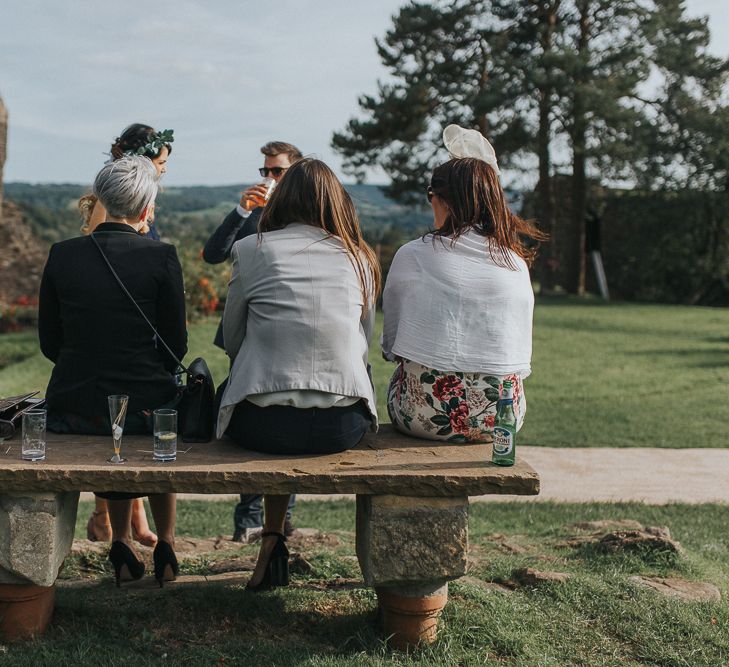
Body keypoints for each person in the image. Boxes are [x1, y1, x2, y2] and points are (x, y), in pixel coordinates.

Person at [216, 158, 380, 590]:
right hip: (341, 426)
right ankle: (275, 536)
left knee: (264, 404)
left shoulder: (251, 250)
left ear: (283, 198)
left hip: (261, 426)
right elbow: (363, 341)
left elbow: (232, 341)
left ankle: (271, 538)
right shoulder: (360, 257)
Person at [39, 155, 186, 587]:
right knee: (158, 422)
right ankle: (167, 543)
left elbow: (50, 341)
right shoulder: (162, 257)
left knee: (119, 423)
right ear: (146, 211)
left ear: (100, 199)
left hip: (75, 406)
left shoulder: (62, 255)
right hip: (143, 405)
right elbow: (175, 345)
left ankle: (120, 541)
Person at [382, 126, 547, 443]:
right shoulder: (514, 262)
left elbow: (391, 343)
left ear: (445, 201)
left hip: (423, 416)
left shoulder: (414, 254)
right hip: (501, 419)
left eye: (432, 196)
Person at [79, 123, 174, 546]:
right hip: (118, 328)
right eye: (160, 163)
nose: (164, 171)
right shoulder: (112, 207)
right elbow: (102, 257)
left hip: (138, 325)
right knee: (127, 422)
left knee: (129, 422)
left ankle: (133, 524)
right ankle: (105, 519)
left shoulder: (138, 201)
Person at [203, 140, 302, 542]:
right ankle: (247, 520)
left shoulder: (303, 217)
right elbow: (213, 255)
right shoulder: (251, 215)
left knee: (290, 418)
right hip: (246, 332)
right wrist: (242, 211)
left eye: (276, 171)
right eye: (265, 171)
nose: (268, 178)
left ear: (295, 173)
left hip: (289, 331)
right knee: (248, 415)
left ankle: (283, 519)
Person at [79, 123, 173, 237]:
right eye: (161, 162)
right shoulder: (111, 199)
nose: (164, 169)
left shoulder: (145, 195)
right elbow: (93, 242)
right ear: (143, 160)